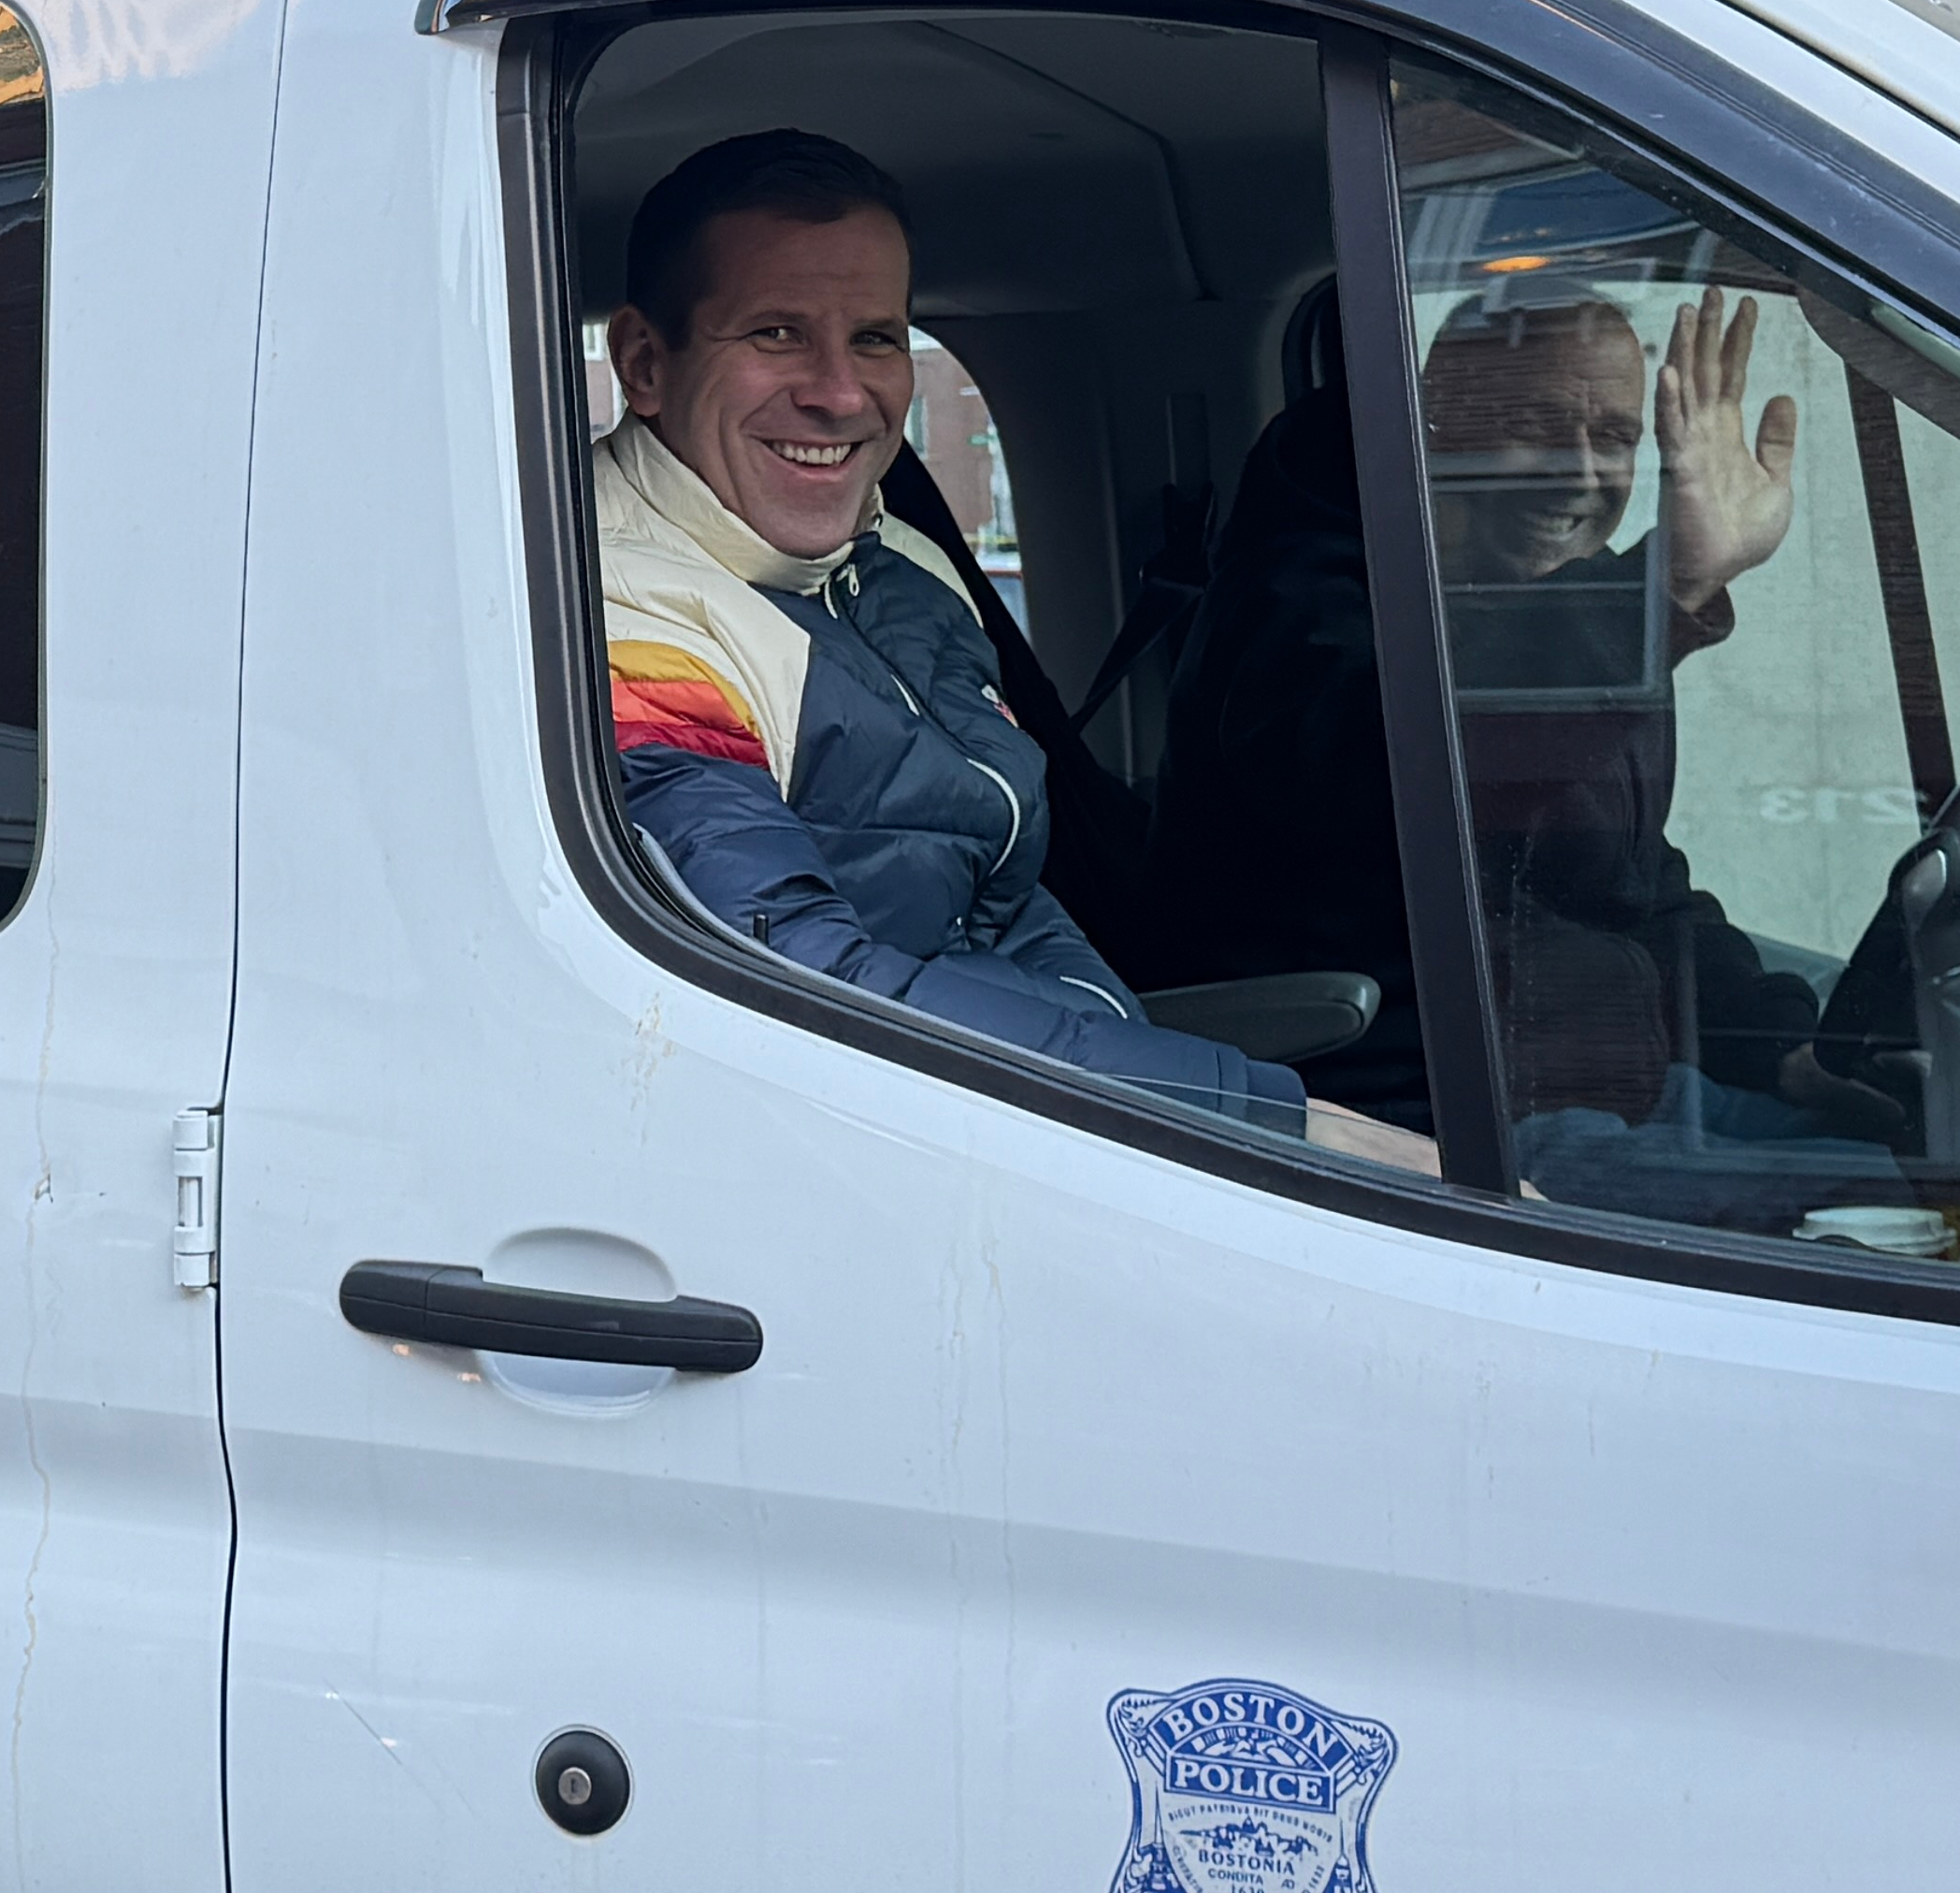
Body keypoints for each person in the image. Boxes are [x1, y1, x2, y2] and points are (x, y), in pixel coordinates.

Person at [596, 130, 1432, 1173]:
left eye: (875, 339)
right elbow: (793, 977)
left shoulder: (898, 560)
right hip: (831, 1151)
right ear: (644, 363)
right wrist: (1262, 1119)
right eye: (775, 334)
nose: (841, 394)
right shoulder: (628, 616)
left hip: (1007, 1116)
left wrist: (1147, 1062)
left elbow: (1003, 894)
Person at [1417, 282, 1893, 1209]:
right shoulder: (1335, 607)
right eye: (1532, 426)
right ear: (1434, 423)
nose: (1579, 476)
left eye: (1616, 440)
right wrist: (1664, 586)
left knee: (1894, 1152)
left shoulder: (1563, 621)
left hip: (1605, 1077)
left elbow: (1637, 891)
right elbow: (1442, 783)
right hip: (1463, 1121)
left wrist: (1780, 1053)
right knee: (1900, 1208)